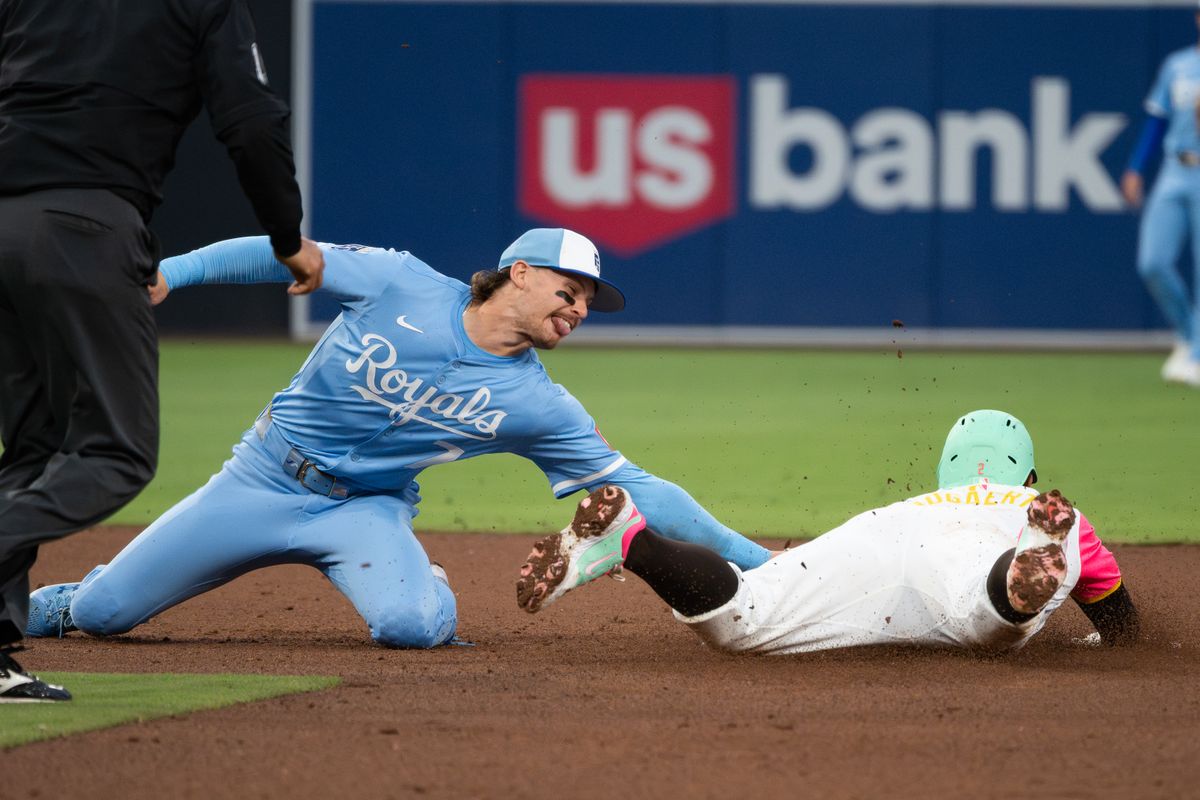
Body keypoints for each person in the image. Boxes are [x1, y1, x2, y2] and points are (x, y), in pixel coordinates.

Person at [24, 228, 770, 653]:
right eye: (568, 292)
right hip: (258, 481)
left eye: (587, 304)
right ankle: (62, 600)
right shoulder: (399, 282)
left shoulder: (540, 404)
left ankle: (427, 582)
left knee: (412, 628)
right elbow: (294, 255)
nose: (578, 310)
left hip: (365, 512)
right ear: (519, 273)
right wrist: (172, 275)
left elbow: (639, 491)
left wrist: (763, 561)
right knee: (103, 617)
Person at [0, 0, 325, 702]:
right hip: (84, 225)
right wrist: (286, 237)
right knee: (115, 453)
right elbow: (249, 121)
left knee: (33, 449)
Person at [518, 410, 1141, 655]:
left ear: (947, 468)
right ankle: (1019, 562)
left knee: (747, 620)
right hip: (986, 545)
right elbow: (1122, 627)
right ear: (1029, 477)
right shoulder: (1042, 507)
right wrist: (1099, 639)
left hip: (887, 531)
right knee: (982, 619)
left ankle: (633, 541)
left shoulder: (928, 497)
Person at [1121, 5, 1200, 387]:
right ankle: (1190, 335)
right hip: (1175, 166)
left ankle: (1198, 354)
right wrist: (1136, 167)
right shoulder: (1178, 64)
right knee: (1153, 261)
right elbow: (1157, 120)